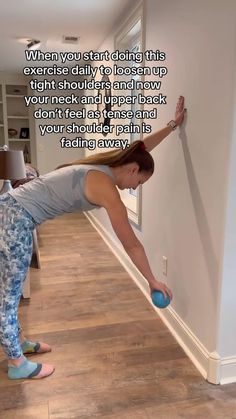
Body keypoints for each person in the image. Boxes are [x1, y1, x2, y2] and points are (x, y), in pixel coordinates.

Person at [0, 96, 185, 380]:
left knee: (11, 288)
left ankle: (18, 344)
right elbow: (131, 243)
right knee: (9, 296)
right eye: (140, 182)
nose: (136, 186)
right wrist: (152, 280)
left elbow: (141, 148)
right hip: (14, 219)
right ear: (133, 170)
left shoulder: (109, 166)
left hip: (12, 213)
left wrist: (172, 126)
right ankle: (16, 364)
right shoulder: (105, 186)